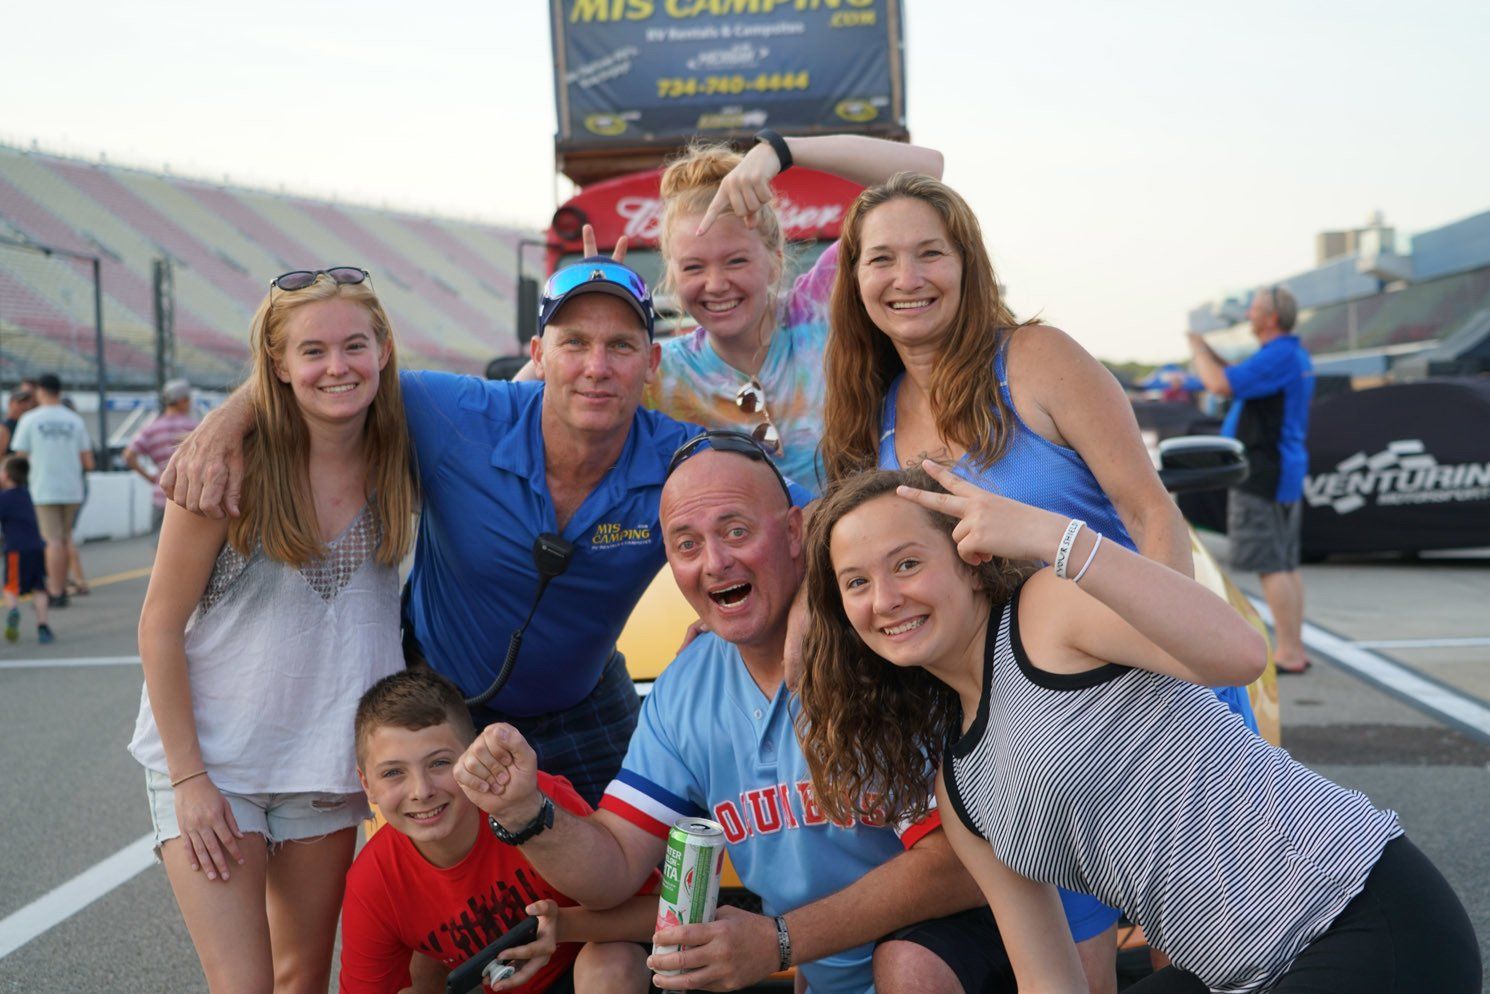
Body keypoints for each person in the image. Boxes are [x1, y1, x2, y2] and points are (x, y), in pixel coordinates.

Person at [810, 170, 1262, 985]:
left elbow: (1152, 511)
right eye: (881, 260)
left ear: (967, 264)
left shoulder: (1036, 361)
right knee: (1077, 975)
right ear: (855, 281)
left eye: (929, 254)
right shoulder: (866, 414)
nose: (906, 278)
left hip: (1149, 705)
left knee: (1214, 955)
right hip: (1027, 748)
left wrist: (1165, 671)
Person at [797, 463, 1480, 994]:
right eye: (855, 582)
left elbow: (1240, 654)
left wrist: (1051, 537)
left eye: (907, 564)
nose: (884, 599)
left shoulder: (1045, 614)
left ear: (972, 562)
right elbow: (1047, 979)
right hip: (1238, 972)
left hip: (1361, 917)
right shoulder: (962, 789)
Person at [160, 258, 808, 807]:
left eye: (620, 346)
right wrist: (223, 421)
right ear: (538, 356)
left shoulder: (685, 461)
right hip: (447, 705)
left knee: (626, 896)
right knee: (445, 922)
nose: (596, 366)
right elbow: (334, 374)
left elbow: (818, 520)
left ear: (651, 362)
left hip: (585, 701)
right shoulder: (459, 415)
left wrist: (774, 611)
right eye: (574, 343)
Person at [453, 433, 1031, 994]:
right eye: (686, 544)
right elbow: (616, 866)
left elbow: (958, 863)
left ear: (794, 533)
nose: (715, 562)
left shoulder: (880, 636)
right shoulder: (687, 686)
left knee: (909, 966)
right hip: (824, 966)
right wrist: (526, 812)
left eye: (736, 530)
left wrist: (780, 941)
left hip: (966, 950)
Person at [129, 267, 419, 994]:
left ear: (382, 349)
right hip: (213, 766)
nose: (336, 367)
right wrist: (190, 780)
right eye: (312, 351)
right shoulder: (225, 471)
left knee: (301, 979)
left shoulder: (406, 458)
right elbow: (159, 627)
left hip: (322, 762)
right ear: (279, 368)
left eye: (354, 345)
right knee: (246, 985)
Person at [517, 134, 942, 497]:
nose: (716, 284)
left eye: (736, 261)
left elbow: (925, 174)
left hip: (862, 567)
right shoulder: (659, 370)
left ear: (774, 260)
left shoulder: (824, 304)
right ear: (673, 275)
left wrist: (780, 149)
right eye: (694, 267)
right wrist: (588, 307)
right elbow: (516, 409)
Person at [343, 667, 656, 994]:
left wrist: (563, 926)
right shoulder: (373, 881)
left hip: (580, 975)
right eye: (393, 772)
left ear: (474, 757)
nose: (421, 791)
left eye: (439, 763)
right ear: (367, 785)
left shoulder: (528, 802)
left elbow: (661, 913)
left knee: (611, 963)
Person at [1187, 286, 1315, 674]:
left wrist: (1197, 348)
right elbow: (1236, 375)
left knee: (1272, 565)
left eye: (1255, 309)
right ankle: (1293, 649)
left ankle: (1290, 653)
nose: (1248, 314)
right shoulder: (1289, 354)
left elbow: (1220, 384)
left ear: (1272, 317)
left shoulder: (1279, 354)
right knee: (1284, 564)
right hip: (1281, 469)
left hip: (1264, 470)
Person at [10, 373, 92, 607]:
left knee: (52, 540)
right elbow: (87, 461)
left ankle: (56, 591)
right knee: (65, 538)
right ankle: (62, 584)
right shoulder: (74, 420)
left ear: (41, 391)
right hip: (72, 488)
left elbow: (20, 457)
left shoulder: (30, 419)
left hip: (44, 488)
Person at [124, 378, 200, 533]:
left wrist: (150, 477)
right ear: (182, 400)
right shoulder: (194, 427)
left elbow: (128, 455)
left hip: (160, 494)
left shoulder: (151, 428)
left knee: (159, 550)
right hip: (188, 496)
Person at [0, 454, 53, 644]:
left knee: (11, 586)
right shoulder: (27, 494)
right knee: (39, 588)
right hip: (36, 547)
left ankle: (13, 610)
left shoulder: (3, 498)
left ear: (5, 475)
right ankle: (43, 626)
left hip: (15, 549)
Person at [0, 381, 38, 456]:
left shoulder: (27, 425)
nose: (24, 406)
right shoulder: (4, 428)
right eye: (20, 402)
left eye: (27, 402)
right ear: (10, 403)